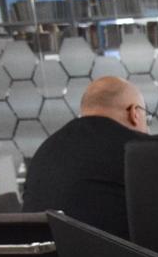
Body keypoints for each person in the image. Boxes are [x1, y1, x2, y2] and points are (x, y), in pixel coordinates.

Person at [22, 76, 150, 238]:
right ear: (134, 113)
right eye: (148, 118)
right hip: (105, 253)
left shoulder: (46, 148)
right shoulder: (136, 149)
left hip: (34, 250)